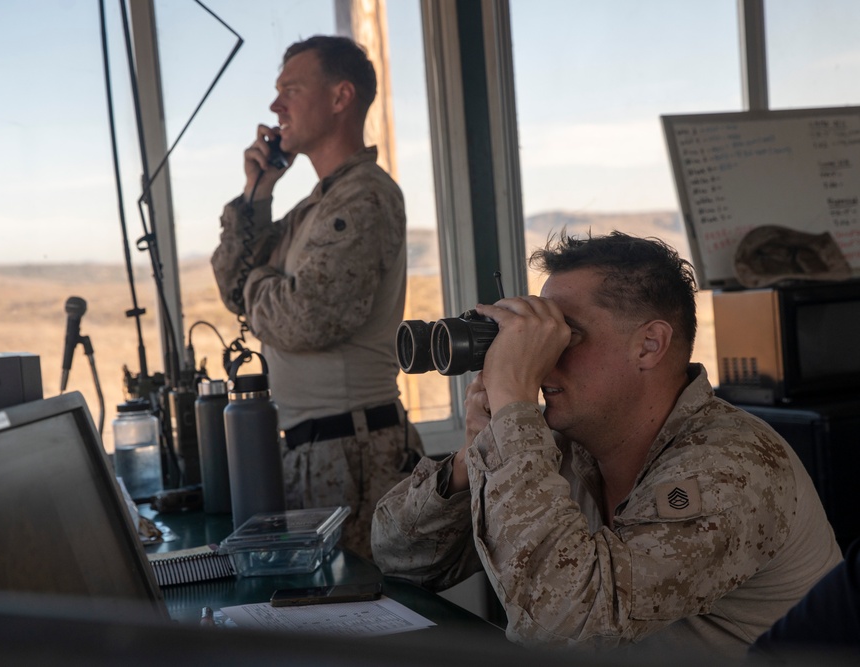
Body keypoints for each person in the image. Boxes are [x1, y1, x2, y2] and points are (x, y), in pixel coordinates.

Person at [371, 231, 842, 658]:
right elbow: (400, 558)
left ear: (649, 346)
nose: (544, 359)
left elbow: (565, 623)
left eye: (566, 336)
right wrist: (473, 455)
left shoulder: (731, 467)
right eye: (540, 337)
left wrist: (513, 410)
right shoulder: (557, 448)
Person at [211, 35, 422, 559]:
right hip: (321, 452)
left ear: (339, 98)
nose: (275, 106)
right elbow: (232, 282)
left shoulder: (364, 196)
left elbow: (308, 316)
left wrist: (255, 285)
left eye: (291, 89)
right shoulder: (317, 206)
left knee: (358, 622)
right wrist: (258, 192)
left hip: (354, 455)